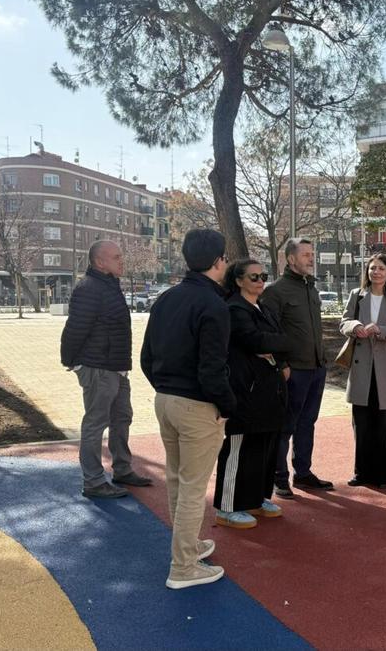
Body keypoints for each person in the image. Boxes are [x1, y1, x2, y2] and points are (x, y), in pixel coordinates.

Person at [141, 229, 235, 590]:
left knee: (179, 481)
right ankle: (182, 567)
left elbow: (146, 357)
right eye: (223, 258)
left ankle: (188, 547)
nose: (225, 263)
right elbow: (213, 368)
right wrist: (227, 406)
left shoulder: (166, 299)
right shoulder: (213, 305)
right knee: (193, 488)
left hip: (165, 400)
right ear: (216, 263)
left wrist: (167, 388)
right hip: (197, 405)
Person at [60, 240, 152, 499]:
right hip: (98, 367)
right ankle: (93, 481)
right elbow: (75, 329)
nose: (122, 260)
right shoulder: (89, 288)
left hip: (116, 367)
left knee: (122, 417)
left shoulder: (109, 285)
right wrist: (72, 362)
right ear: (100, 262)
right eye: (117, 257)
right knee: (96, 422)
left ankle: (122, 469)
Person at [213, 259, 292, 530]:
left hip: (268, 389)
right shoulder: (234, 309)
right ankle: (227, 507)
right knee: (240, 447)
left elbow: (277, 339)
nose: (260, 281)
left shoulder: (264, 308)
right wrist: (272, 343)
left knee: (265, 446)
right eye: (254, 276)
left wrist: (277, 351)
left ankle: (257, 498)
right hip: (245, 389)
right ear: (238, 280)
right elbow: (254, 340)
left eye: (263, 276)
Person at [260, 238, 333, 497]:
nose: (311, 259)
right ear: (291, 259)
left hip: (316, 367)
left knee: (307, 423)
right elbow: (268, 332)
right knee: (285, 425)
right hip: (293, 371)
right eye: (305, 255)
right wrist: (282, 365)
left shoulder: (311, 288)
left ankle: (303, 473)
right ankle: (279, 478)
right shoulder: (275, 292)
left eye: (312, 254)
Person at [339, 254, 386, 488]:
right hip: (362, 367)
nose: (376, 272)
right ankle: (361, 472)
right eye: (372, 268)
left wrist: (380, 330)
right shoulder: (357, 296)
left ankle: (384, 474)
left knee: (384, 424)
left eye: (381, 268)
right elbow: (344, 322)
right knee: (361, 422)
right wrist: (356, 326)